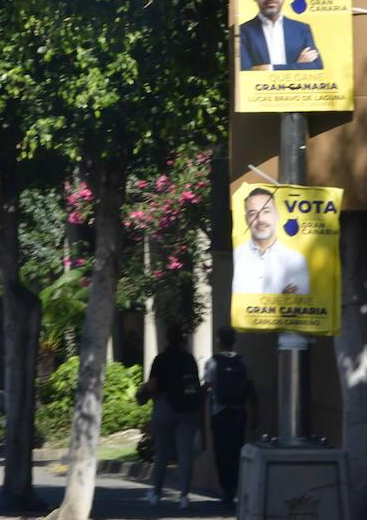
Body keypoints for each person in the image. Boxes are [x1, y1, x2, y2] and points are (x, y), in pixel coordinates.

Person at [138, 324, 202, 509]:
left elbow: (152, 386)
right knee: (185, 455)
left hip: (165, 407)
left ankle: (156, 493)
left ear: (167, 338)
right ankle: (184, 496)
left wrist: (143, 392)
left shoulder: (161, 359)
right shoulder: (189, 359)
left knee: (162, 453)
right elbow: (194, 386)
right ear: (183, 339)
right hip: (187, 411)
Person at [202, 327, 254, 504]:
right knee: (237, 450)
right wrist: (256, 411)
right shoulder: (243, 362)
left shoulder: (213, 362)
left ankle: (226, 490)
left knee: (221, 452)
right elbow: (250, 388)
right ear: (234, 341)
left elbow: (207, 386)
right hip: (239, 412)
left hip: (220, 412)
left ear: (219, 341)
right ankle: (237, 486)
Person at [238, 0, 323, 72]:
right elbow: (245, 72)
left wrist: (269, 68)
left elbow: (316, 67)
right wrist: (298, 66)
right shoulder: (243, 31)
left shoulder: (302, 29)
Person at [232, 188, 310, 295]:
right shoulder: (235, 258)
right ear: (246, 220)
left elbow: (299, 302)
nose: (260, 219)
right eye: (253, 213)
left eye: (266, 211)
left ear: (277, 215)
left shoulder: (295, 259)